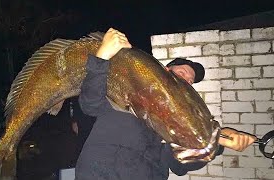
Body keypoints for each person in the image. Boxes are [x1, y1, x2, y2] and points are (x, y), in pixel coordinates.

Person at [75, 28, 256, 180]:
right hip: (101, 174)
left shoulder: (177, 122)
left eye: (191, 81)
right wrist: (102, 58)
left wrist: (219, 142)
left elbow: (178, 164)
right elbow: (90, 104)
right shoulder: (127, 90)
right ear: (165, 71)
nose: (187, 80)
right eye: (183, 73)